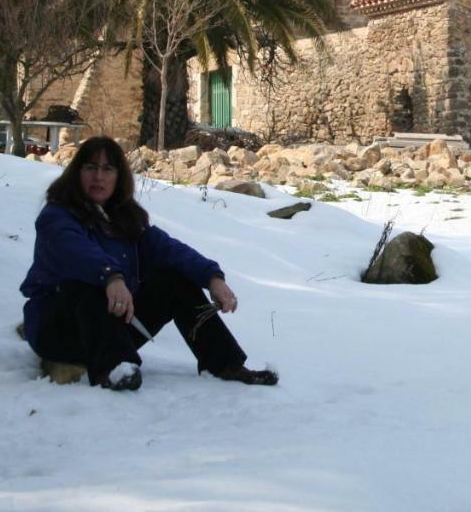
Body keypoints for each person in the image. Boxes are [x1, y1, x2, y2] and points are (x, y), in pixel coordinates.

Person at [19, 136, 278, 391]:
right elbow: (76, 252)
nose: (99, 176)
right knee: (85, 285)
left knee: (174, 279)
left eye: (107, 169)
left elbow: (169, 250)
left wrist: (212, 278)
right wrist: (111, 277)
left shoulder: (125, 220)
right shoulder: (57, 215)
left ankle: (225, 364)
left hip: (111, 329)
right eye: (91, 167)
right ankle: (115, 369)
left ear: (118, 177)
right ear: (77, 173)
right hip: (58, 329)